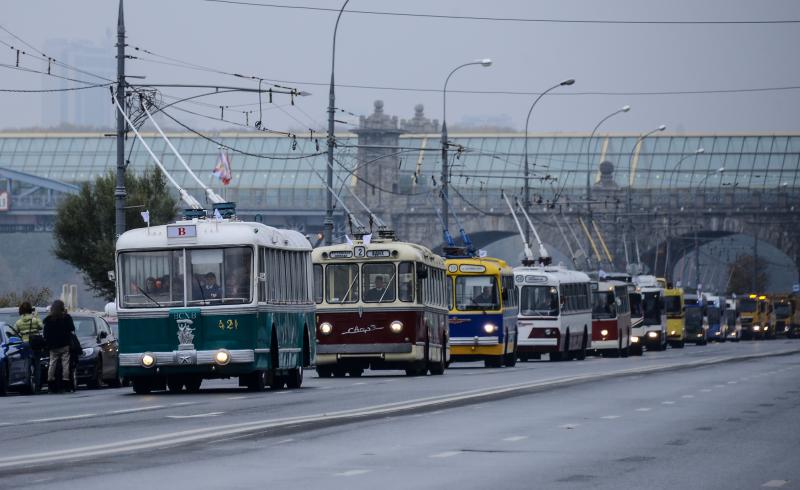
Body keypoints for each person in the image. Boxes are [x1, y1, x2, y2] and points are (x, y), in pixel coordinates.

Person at [43, 299, 76, 394]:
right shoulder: (66, 318)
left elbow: (45, 334)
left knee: (52, 363)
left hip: (53, 346)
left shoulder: (48, 320)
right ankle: (66, 380)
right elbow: (72, 328)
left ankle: (50, 380)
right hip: (64, 344)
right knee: (65, 363)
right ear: (62, 308)